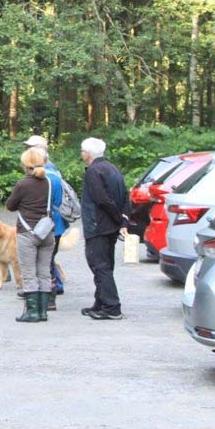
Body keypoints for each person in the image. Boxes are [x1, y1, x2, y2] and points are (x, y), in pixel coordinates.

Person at [79, 137, 129, 320]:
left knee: (99, 266)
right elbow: (125, 195)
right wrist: (122, 220)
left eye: (82, 151)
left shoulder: (93, 172)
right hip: (109, 227)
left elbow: (102, 199)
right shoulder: (112, 168)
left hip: (98, 226)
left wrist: (117, 217)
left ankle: (111, 307)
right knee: (105, 265)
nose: (81, 154)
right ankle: (100, 303)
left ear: (88, 154)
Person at [5, 147, 55, 322]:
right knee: (44, 272)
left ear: (25, 165)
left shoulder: (23, 184)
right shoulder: (49, 182)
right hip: (47, 232)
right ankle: (43, 312)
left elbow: (10, 205)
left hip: (27, 233)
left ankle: (32, 312)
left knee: (29, 273)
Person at [24, 135, 65, 310]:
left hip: (44, 225)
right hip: (55, 224)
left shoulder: (44, 177)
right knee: (48, 261)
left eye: (30, 148)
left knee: (44, 263)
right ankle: (50, 294)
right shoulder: (54, 174)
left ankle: (47, 299)